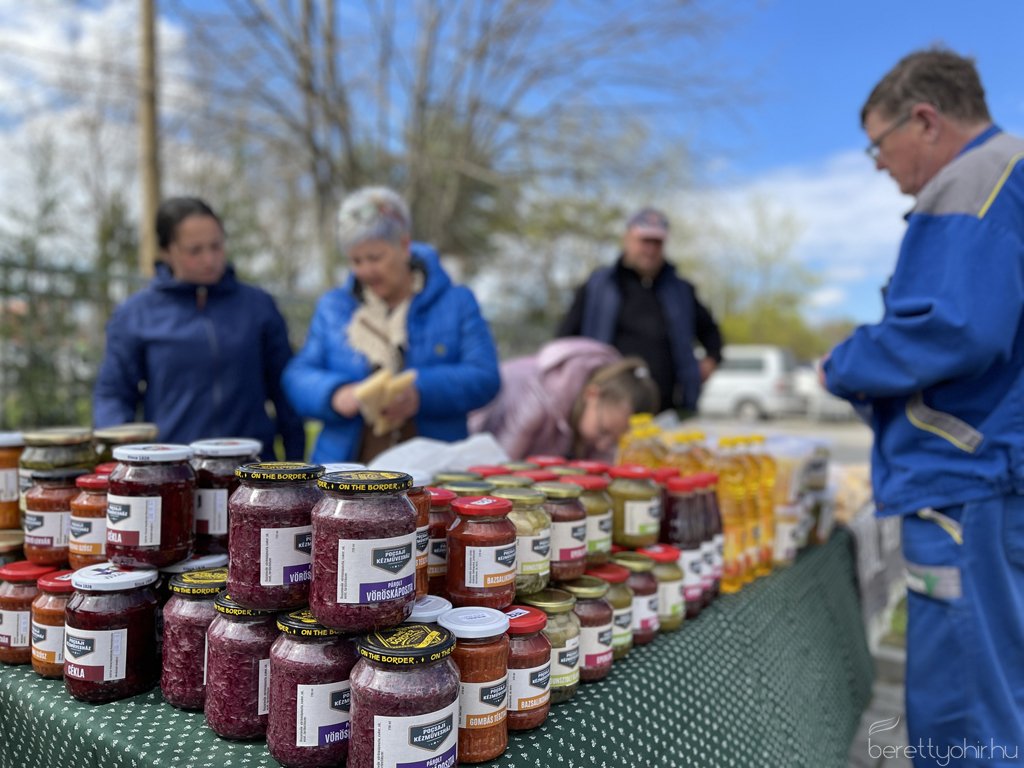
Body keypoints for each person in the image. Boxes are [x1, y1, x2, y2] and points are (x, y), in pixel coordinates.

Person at [820, 49, 1024, 764]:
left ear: (926, 120)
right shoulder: (1010, 177)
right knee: (1001, 690)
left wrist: (843, 364)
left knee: (965, 712)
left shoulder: (972, 180)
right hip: (997, 480)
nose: (879, 164)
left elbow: (952, 327)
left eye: (879, 144)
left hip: (969, 484)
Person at [283, 186, 501, 464]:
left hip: (432, 470)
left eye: (375, 257)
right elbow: (297, 376)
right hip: (345, 471)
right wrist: (335, 395)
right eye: (356, 260)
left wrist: (420, 393)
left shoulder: (457, 302)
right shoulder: (334, 307)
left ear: (404, 245)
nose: (365, 271)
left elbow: (485, 376)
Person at [92, 197, 305, 461]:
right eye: (195, 250)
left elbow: (287, 391)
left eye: (216, 246)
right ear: (166, 252)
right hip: (173, 472)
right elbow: (113, 394)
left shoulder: (258, 307)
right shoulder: (135, 315)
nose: (210, 259)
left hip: (253, 474)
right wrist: (124, 461)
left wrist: (297, 466)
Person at [556, 207, 722, 415]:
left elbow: (711, 332)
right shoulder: (599, 286)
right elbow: (564, 340)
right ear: (627, 239)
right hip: (608, 409)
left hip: (668, 410)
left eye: (657, 242)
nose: (650, 249)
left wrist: (710, 361)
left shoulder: (680, 291)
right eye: (645, 241)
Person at [469, 336, 659, 462]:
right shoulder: (537, 397)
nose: (603, 445)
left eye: (615, 441)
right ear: (592, 395)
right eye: (603, 431)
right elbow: (501, 465)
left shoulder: (596, 414)